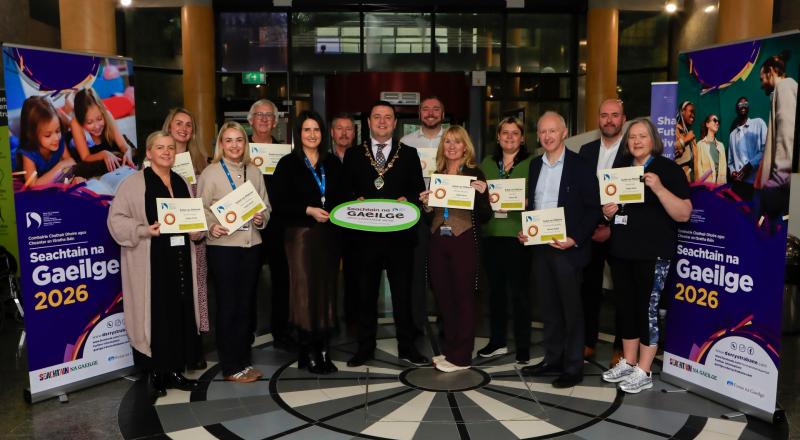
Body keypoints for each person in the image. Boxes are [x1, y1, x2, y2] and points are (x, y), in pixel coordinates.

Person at [107, 130, 203, 397]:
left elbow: (192, 219)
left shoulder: (182, 182)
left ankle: (175, 371)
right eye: (160, 148)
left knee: (180, 312)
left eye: (171, 148)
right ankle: (157, 373)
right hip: (151, 262)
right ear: (148, 153)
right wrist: (143, 230)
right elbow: (116, 221)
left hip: (181, 259)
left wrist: (197, 231)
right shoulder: (133, 184)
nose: (166, 152)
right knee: (156, 316)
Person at [601, 117, 691, 394]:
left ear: (653, 139)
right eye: (632, 137)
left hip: (653, 254)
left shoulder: (668, 169)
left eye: (642, 136)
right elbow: (608, 209)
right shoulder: (619, 170)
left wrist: (659, 188)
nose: (637, 141)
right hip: (621, 252)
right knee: (626, 308)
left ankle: (644, 369)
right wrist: (607, 211)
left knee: (647, 310)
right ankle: (628, 362)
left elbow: (684, 213)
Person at [342, 100, 428, 367]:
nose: (382, 122)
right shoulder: (354, 155)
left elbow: (418, 193)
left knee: (403, 295)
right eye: (376, 117)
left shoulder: (409, 154)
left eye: (387, 117)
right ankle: (365, 347)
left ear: (395, 123)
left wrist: (410, 200)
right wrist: (353, 200)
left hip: (399, 240)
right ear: (368, 123)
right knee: (365, 295)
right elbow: (344, 192)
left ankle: (407, 347)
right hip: (364, 240)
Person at [518, 111, 599, 389]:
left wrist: (574, 238)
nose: (547, 136)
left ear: (564, 132)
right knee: (549, 308)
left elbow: (592, 209)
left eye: (553, 131)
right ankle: (552, 359)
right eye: (542, 132)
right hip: (540, 248)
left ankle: (573, 365)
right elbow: (534, 206)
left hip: (569, 249)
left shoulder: (581, 165)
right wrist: (526, 229)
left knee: (572, 309)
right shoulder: (533, 165)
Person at [271, 111, 344, 374]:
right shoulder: (288, 164)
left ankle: (323, 349)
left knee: (326, 291)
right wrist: (307, 209)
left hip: (329, 237)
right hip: (300, 236)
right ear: (298, 134)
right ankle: (307, 351)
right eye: (306, 130)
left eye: (316, 130)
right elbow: (279, 202)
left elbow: (343, 197)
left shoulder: (333, 163)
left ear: (323, 134)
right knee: (303, 292)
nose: (312, 135)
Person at [198, 121, 270, 383]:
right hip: (224, 249)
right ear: (221, 144)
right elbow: (201, 209)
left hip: (252, 246)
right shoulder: (210, 173)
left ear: (245, 143)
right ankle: (230, 366)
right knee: (228, 306)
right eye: (228, 140)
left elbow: (265, 206)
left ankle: (243, 360)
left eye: (239, 140)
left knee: (246, 306)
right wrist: (211, 227)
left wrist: (263, 218)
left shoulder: (255, 172)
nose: (234, 145)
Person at [420, 126, 492, 372]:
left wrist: (483, 196)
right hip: (439, 239)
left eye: (457, 142)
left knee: (463, 297)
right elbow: (431, 217)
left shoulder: (474, 173)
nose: (452, 146)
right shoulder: (438, 173)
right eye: (448, 141)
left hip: (464, 241)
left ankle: (461, 357)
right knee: (444, 297)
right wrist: (427, 206)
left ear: (465, 146)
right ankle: (450, 351)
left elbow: (485, 215)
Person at [476, 116, 533, 364]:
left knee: (520, 295)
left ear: (523, 138)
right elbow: (478, 202)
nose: (509, 137)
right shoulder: (486, 164)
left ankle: (523, 347)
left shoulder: (533, 163)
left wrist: (529, 202)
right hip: (492, 236)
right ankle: (497, 341)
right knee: (495, 293)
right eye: (505, 133)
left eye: (515, 133)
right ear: (498, 137)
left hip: (519, 236)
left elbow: (541, 195)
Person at [577, 98, 627, 363]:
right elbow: (582, 194)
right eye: (604, 115)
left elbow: (634, 197)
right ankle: (588, 342)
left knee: (622, 293)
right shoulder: (585, 151)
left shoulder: (632, 151)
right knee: (589, 290)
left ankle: (620, 348)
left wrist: (612, 228)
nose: (609, 120)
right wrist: (593, 225)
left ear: (623, 118)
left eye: (615, 115)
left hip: (620, 231)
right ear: (598, 119)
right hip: (590, 231)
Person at [162, 107, 210, 370]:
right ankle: (173, 345)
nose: (183, 128)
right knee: (172, 290)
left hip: (194, 236)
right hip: (166, 236)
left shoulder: (201, 161)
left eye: (188, 125)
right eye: (178, 123)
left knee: (196, 288)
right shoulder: (156, 158)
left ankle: (195, 345)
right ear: (169, 126)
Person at [248, 99, 292, 351]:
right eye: (259, 114)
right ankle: (248, 331)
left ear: (276, 122)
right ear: (250, 119)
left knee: (281, 280)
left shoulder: (284, 153)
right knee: (248, 281)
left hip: (278, 226)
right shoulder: (240, 148)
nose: (264, 119)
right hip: (248, 225)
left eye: (269, 115)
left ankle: (281, 330)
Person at [400, 96, 446, 338]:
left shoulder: (451, 140)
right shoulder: (406, 142)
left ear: (443, 113)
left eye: (435, 109)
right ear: (419, 113)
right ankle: (417, 322)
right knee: (416, 271)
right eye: (426, 109)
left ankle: (444, 320)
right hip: (417, 212)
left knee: (443, 269)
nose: (430, 113)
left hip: (445, 213)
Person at [755, 51, 796, 226]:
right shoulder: (786, 88)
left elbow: (788, 133)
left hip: (784, 187)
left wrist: (777, 180)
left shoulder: (785, 87)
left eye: (761, 78)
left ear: (771, 71)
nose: (761, 84)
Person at [329, 113, 360, 334]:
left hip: (355, 228)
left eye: (348, 129)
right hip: (327, 226)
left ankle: (353, 319)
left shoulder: (362, 158)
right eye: (339, 128)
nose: (344, 133)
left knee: (354, 276)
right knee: (327, 276)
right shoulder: (322, 159)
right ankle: (328, 320)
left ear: (355, 133)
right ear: (332, 132)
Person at [70, 88, 135, 176]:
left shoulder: (107, 115)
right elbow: (85, 157)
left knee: (131, 154)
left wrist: (128, 152)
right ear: (81, 120)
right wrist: (104, 154)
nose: (97, 126)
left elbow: (123, 145)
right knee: (80, 169)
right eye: (89, 122)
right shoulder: (76, 123)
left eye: (99, 119)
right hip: (88, 154)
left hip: (107, 146)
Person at [18, 96, 76, 186]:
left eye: (57, 130)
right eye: (48, 135)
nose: (56, 138)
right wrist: (60, 166)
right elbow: (33, 185)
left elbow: (70, 162)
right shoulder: (28, 154)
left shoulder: (59, 140)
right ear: (32, 135)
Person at [727, 97, 766, 201]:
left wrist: (750, 165)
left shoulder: (758, 123)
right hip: (739, 185)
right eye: (740, 104)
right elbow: (730, 162)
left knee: (757, 215)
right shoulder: (732, 135)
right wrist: (733, 172)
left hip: (756, 183)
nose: (743, 105)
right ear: (736, 109)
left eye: (746, 103)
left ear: (748, 107)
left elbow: (766, 150)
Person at [695, 114, 727, 184]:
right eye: (715, 120)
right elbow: (698, 168)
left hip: (720, 187)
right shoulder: (700, 145)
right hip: (706, 187)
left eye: (718, 121)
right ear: (707, 124)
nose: (717, 123)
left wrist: (722, 186)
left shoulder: (721, 146)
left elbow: (723, 169)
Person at [674, 101, 697, 180]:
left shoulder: (689, 133)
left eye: (694, 113)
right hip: (679, 177)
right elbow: (668, 150)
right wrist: (686, 139)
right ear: (682, 111)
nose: (693, 115)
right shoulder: (673, 129)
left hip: (691, 177)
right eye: (691, 111)